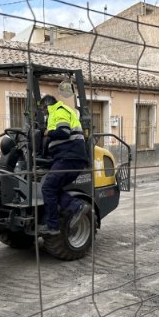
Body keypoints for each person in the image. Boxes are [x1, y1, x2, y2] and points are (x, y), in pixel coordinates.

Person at [37, 94, 91, 235]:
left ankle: (54, 226)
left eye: (43, 110)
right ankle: (75, 206)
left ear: (47, 106)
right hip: (67, 157)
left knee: (48, 187)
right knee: (52, 188)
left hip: (69, 158)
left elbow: (64, 132)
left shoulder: (60, 111)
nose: (43, 113)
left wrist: (47, 132)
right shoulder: (57, 112)